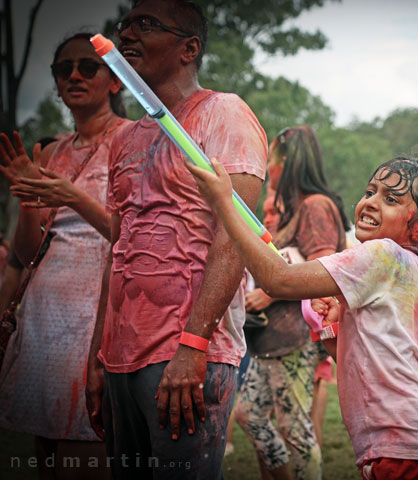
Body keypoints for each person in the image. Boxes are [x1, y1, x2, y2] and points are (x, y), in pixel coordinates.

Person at [186, 155, 418, 479]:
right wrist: (332, 327)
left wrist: (225, 205)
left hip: (410, 452)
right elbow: (350, 362)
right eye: (370, 191)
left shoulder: (384, 254)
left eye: (390, 199)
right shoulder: (402, 266)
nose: (370, 203)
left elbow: (277, 280)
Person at [83, 1, 267, 478]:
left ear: (189, 49)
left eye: (147, 25)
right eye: (125, 24)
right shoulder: (125, 138)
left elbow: (235, 238)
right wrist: (98, 360)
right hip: (121, 355)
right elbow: (117, 250)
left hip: (188, 356)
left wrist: (193, 346)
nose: (128, 34)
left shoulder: (225, 114)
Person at [0, 31, 129, 479]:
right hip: (44, 315)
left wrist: (72, 197)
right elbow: (27, 252)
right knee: (48, 454)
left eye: (88, 67)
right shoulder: (53, 150)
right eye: (63, 69)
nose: (74, 75)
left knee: (85, 449)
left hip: (93, 316)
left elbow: (131, 234)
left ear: (114, 81)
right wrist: (28, 200)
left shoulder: (131, 140)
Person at [234, 126, 349, 480]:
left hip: (295, 338)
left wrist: (269, 292)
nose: (268, 167)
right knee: (249, 415)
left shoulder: (316, 207)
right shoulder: (294, 210)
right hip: (270, 339)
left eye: (272, 159)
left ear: (289, 161)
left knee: (297, 434)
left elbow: (324, 273)